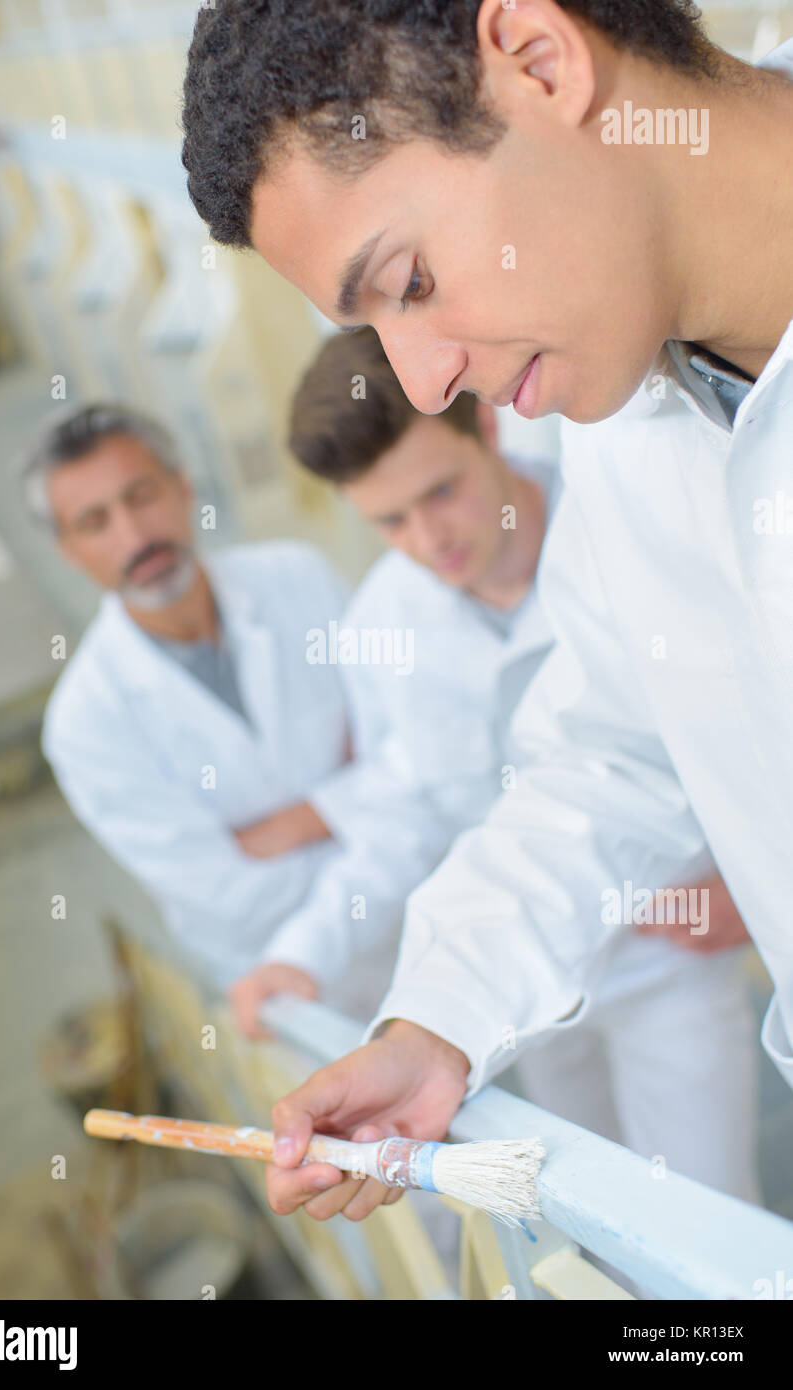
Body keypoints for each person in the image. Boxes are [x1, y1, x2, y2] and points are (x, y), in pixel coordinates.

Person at [180, 0, 793, 1226]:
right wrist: (439, 1017)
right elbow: (603, 754)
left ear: (537, 60)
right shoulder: (630, 425)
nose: (424, 380)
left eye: (411, 282)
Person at [232, 325, 756, 1197]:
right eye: (389, 521)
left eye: (439, 493)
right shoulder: (378, 629)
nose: (427, 539)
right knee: (559, 1221)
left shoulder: (625, 531)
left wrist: (754, 879)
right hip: (519, 993)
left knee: (701, 1211)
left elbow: (739, 722)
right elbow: (402, 811)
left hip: (670, 957)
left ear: (486, 428)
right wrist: (303, 952)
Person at [29, 403, 412, 1014]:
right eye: (95, 521)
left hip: (423, 930)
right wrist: (364, 812)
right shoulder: (85, 724)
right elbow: (229, 898)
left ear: (183, 486)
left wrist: (296, 823)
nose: (135, 536)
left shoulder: (299, 577)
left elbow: (415, 755)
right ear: (68, 548)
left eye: (142, 495)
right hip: (292, 991)